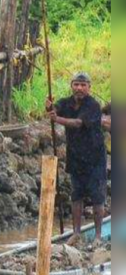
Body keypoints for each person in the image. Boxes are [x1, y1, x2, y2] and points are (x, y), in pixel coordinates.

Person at [46, 72, 108, 246]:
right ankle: (76, 233)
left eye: (83, 85)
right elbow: (54, 108)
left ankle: (97, 236)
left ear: (89, 87)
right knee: (76, 196)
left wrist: (56, 119)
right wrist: (50, 107)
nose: (79, 88)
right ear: (71, 85)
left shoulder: (93, 106)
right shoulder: (66, 102)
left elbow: (78, 123)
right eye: (76, 84)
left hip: (95, 159)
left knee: (97, 198)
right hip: (75, 158)